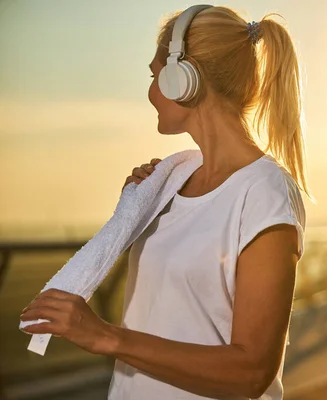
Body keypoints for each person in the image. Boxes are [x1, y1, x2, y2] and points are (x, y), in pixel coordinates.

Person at [19, 4, 310, 400]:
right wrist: (138, 206)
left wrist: (105, 336)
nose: (152, 90)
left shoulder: (264, 193)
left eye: (156, 75)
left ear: (182, 78)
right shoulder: (173, 180)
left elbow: (251, 372)